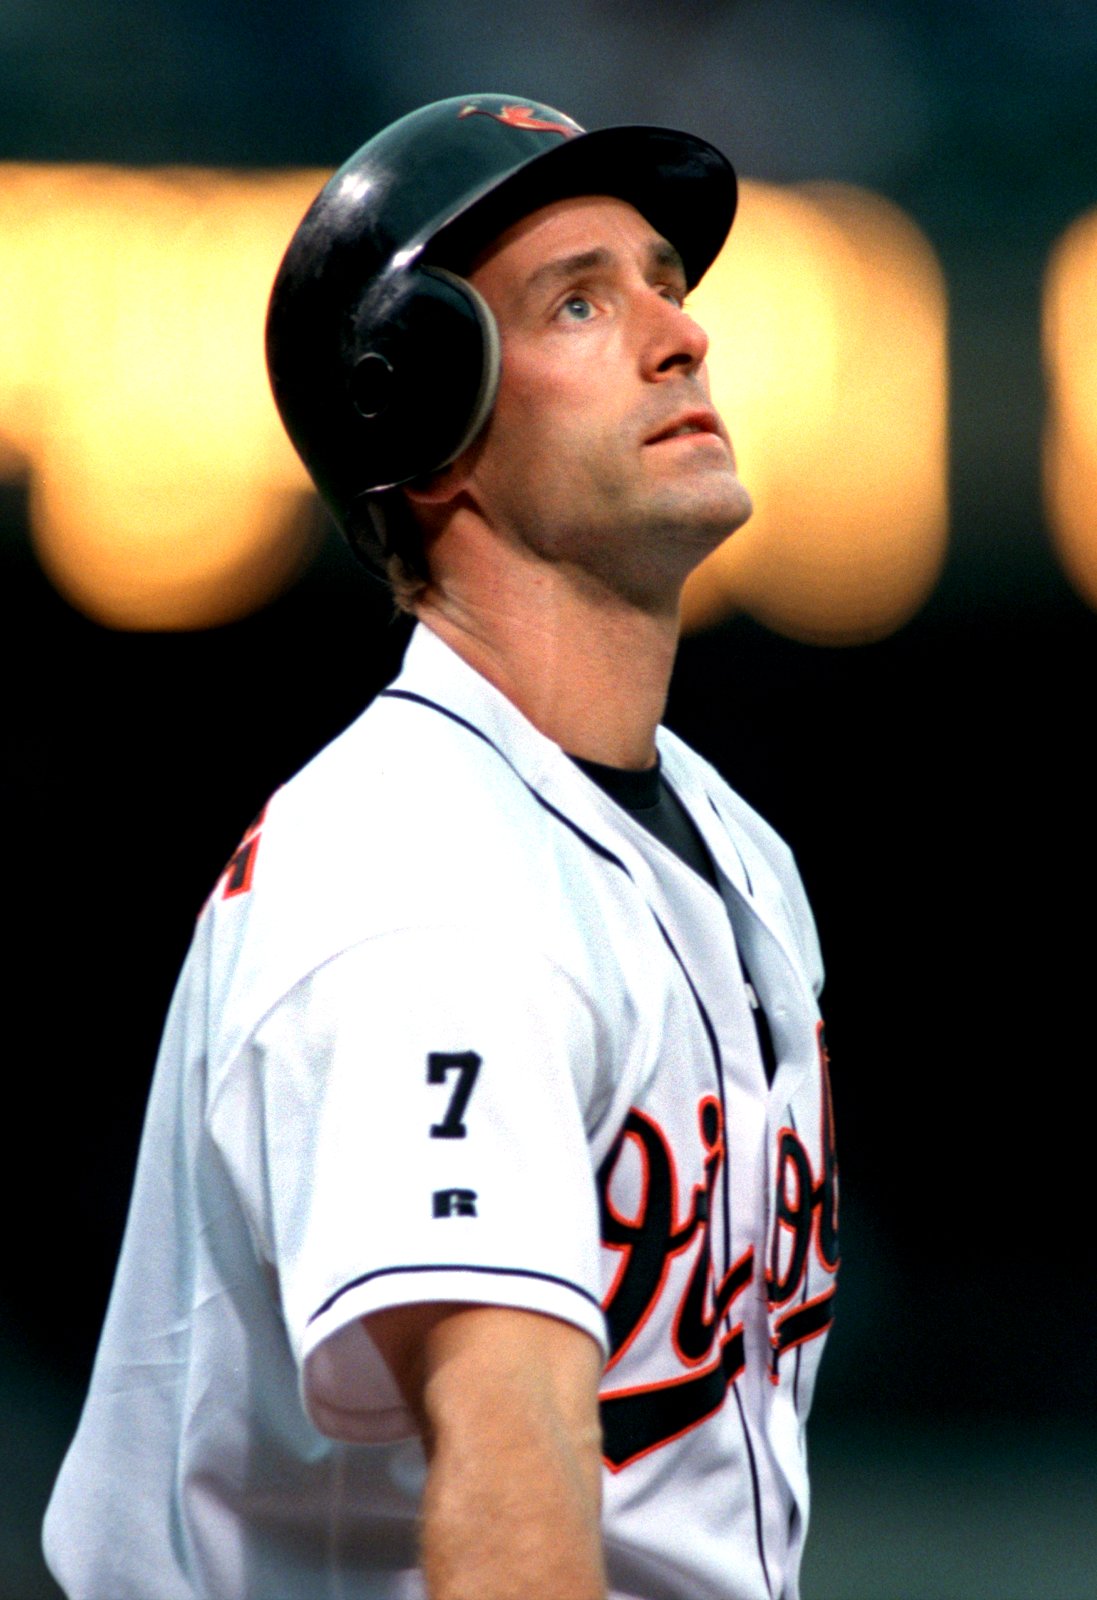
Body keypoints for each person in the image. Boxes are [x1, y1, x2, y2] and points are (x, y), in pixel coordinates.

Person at [43, 94, 838, 1600]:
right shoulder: (416, 878)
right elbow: (510, 1475)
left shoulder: (728, 846)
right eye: (581, 301)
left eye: (666, 283)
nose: (681, 337)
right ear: (423, 419)